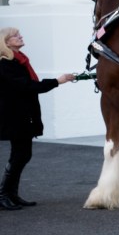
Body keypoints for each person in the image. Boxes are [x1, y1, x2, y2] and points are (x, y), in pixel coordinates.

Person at [0, 27, 77, 210]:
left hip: (23, 115)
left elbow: (29, 85)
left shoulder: (20, 61)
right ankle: (3, 195)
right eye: (15, 36)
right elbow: (28, 86)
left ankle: (12, 194)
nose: (20, 37)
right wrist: (58, 81)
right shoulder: (5, 64)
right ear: (6, 42)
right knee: (20, 155)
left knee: (22, 154)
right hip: (14, 116)